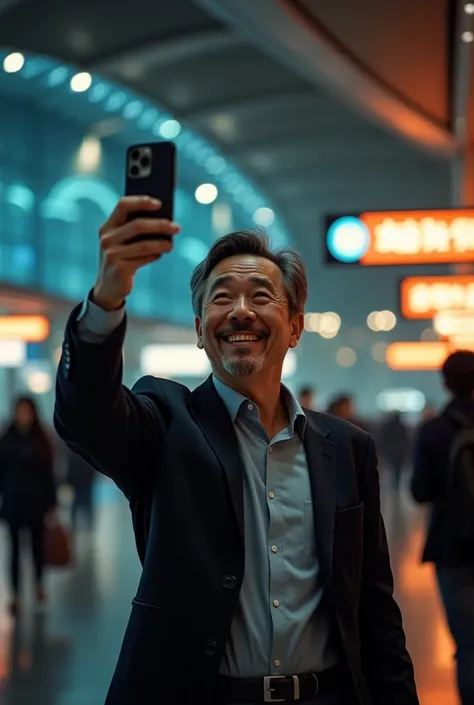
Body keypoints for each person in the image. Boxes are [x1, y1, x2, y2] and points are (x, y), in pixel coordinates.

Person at [54, 196, 418, 705]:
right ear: (202, 331)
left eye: (262, 296)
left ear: (294, 326)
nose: (240, 310)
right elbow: (85, 416)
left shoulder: (348, 449)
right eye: (221, 298)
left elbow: (375, 611)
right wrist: (107, 299)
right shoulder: (164, 422)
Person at [411, 350, 474, 705]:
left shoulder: (434, 430)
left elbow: (420, 492)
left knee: (468, 644)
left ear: (445, 382)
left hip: (452, 549)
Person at [0, 396, 57, 614]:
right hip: (13, 504)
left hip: (36, 505)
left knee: (36, 550)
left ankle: (38, 586)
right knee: (13, 550)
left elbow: (48, 475)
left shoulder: (41, 441)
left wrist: (52, 504)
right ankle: (15, 593)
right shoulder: (7, 440)